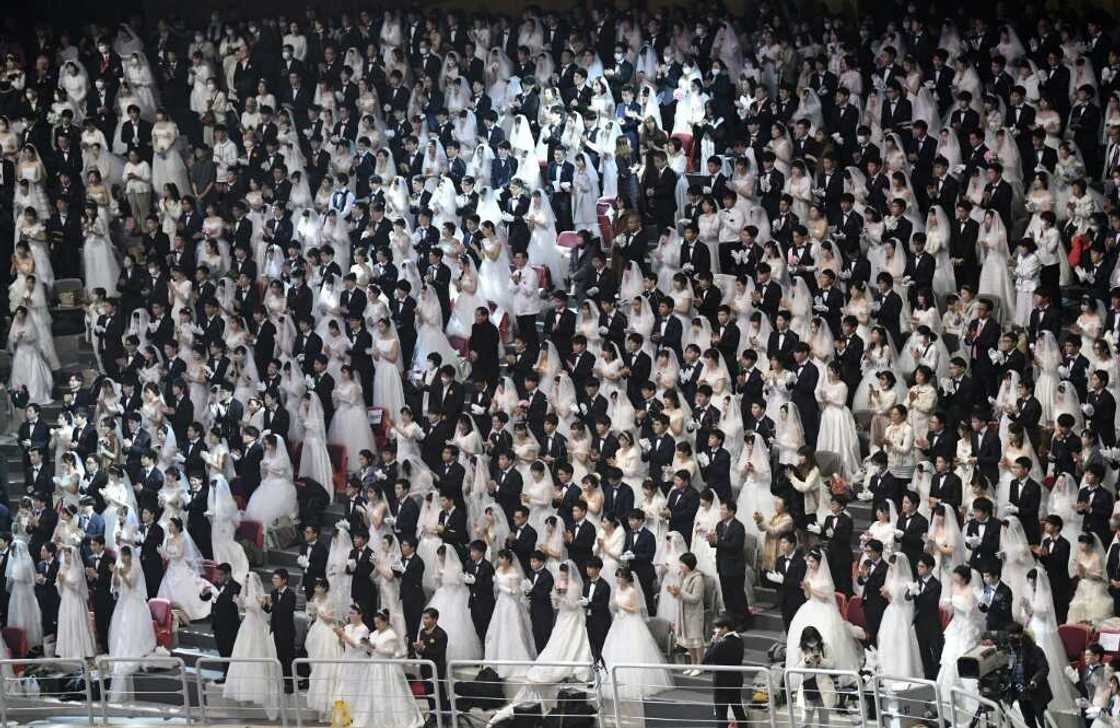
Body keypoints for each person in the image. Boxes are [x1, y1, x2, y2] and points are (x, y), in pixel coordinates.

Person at [222, 572, 282, 718]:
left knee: (256, 651)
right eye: (246, 581)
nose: (247, 584)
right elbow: (242, 606)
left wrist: (261, 602)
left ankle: (257, 688)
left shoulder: (259, 596)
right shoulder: (244, 595)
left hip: (256, 625)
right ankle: (243, 689)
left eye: (249, 581)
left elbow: (263, 610)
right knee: (243, 652)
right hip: (246, 625)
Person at [703, 612, 748, 728]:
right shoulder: (739, 639)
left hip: (722, 682)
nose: (715, 630)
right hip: (736, 679)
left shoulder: (722, 643)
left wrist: (713, 643)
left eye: (718, 627)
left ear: (725, 628)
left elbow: (706, 660)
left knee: (721, 712)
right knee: (737, 708)